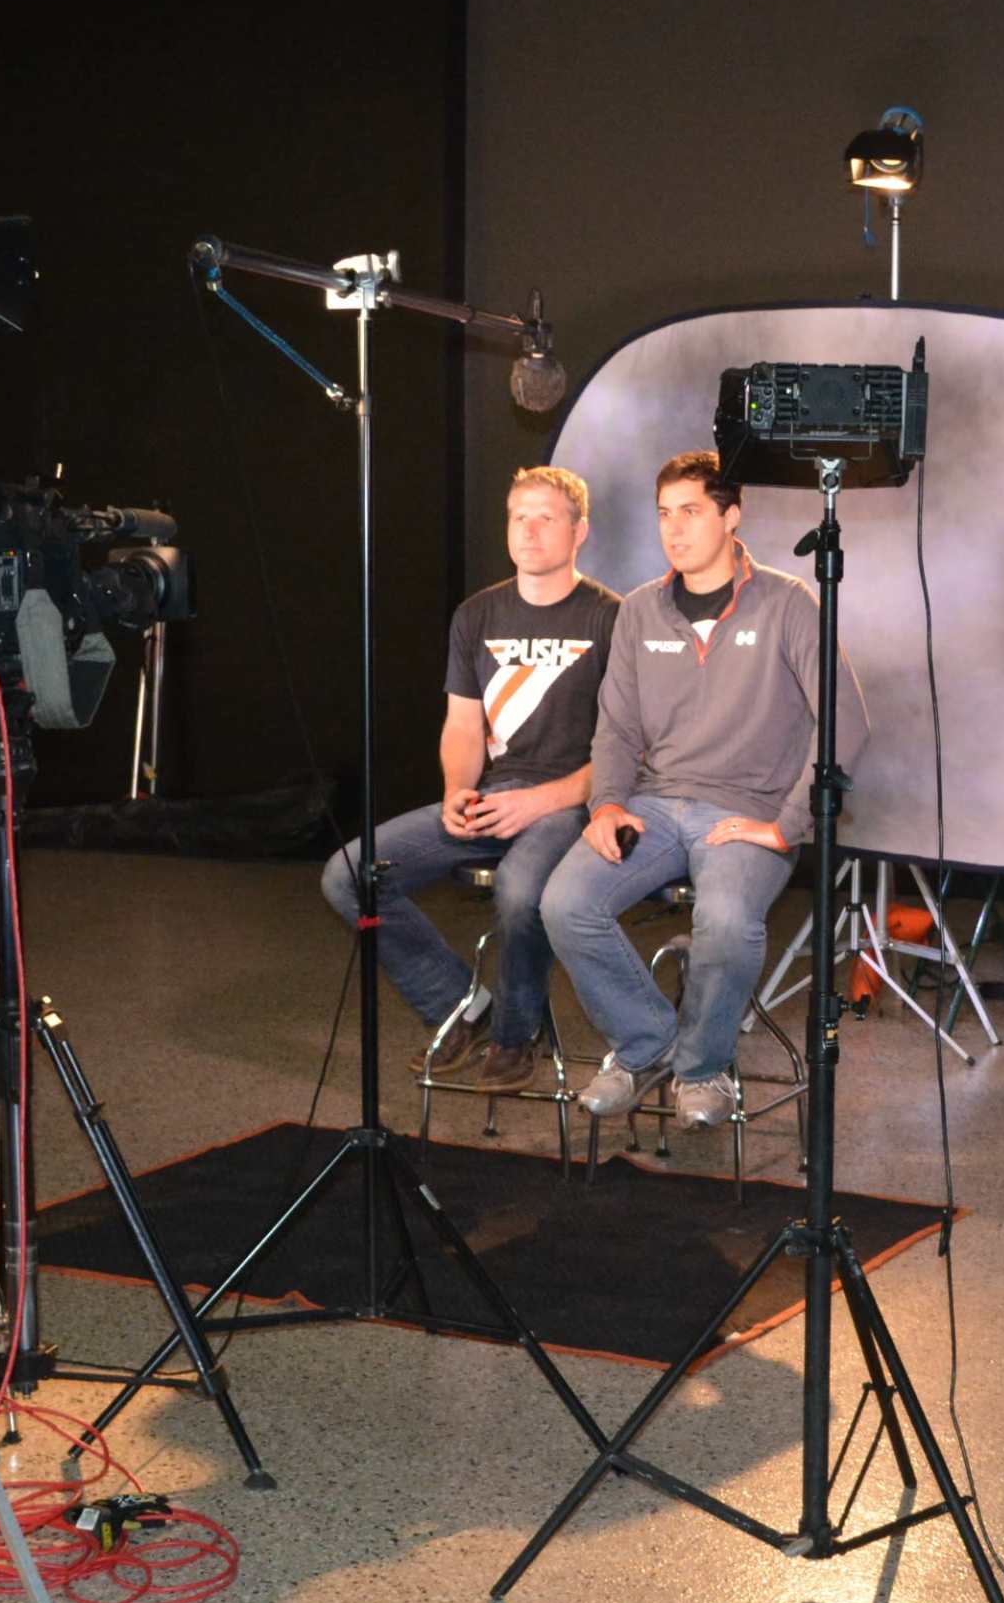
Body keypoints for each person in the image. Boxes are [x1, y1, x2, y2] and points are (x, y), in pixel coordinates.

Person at [543, 450, 868, 1128]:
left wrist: (785, 825)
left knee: (723, 920)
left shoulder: (787, 603)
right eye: (664, 514)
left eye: (691, 511)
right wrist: (605, 803)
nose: (674, 529)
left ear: (731, 515)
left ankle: (703, 1068)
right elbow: (617, 728)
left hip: (747, 813)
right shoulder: (639, 611)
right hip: (653, 805)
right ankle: (648, 1045)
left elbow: (846, 723)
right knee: (566, 901)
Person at [318, 465, 621, 1095]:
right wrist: (459, 787)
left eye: (547, 518)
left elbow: (628, 749)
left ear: (579, 530)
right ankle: (464, 1007)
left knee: (519, 890)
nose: (530, 531)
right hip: (492, 798)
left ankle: (517, 1034)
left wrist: (544, 800)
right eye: (519, 517)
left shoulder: (609, 618)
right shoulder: (476, 614)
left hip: (570, 803)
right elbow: (462, 723)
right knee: (350, 876)